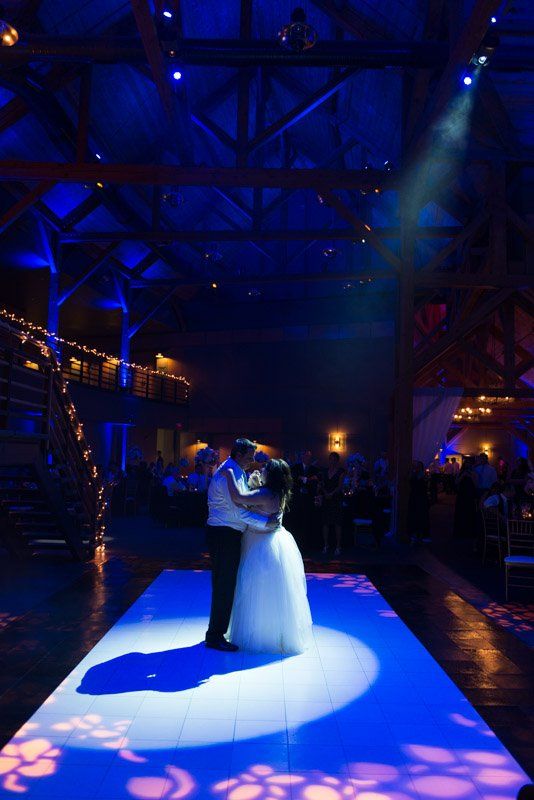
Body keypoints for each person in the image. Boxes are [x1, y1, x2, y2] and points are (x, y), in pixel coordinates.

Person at [222, 459, 313, 654]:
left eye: (264, 469)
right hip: (274, 542)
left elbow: (238, 497)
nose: (260, 469)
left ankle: (259, 635)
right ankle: (276, 633)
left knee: (255, 589)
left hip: (260, 545)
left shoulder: (264, 494)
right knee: (274, 591)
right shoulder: (278, 493)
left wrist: (228, 474)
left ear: (271, 475)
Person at [205, 438, 275, 652]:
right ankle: (215, 635)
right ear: (237, 454)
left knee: (225, 585)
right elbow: (237, 511)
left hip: (226, 533)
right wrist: (266, 523)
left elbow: (241, 504)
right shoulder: (229, 472)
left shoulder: (235, 471)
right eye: (249, 456)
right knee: (224, 585)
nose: (252, 460)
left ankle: (215, 632)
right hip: (223, 534)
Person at [320, 452, 346, 556]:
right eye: (330, 459)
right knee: (325, 523)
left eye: (334, 459)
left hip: (336, 499)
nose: (332, 461)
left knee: (337, 523)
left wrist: (332, 493)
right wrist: (325, 493)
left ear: (337, 460)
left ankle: (338, 546)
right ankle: (326, 545)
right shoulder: (325, 471)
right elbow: (322, 484)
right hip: (326, 499)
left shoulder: (341, 472)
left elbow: (340, 486)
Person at [453, 456, 478, 541]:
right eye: (466, 463)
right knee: (461, 512)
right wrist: (463, 475)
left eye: (469, 463)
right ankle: (460, 531)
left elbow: (476, 484)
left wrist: (470, 476)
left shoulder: (474, 472)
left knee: (470, 512)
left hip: (470, 495)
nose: (467, 465)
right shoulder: (461, 472)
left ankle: (469, 531)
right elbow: (456, 482)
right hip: (462, 495)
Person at [407, 460, 430, 544]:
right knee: (415, 515)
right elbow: (411, 481)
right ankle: (415, 534)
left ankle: (421, 534)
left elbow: (425, 482)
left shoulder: (423, 474)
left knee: (421, 515)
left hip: (421, 497)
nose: (416, 467)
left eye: (418, 466)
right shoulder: (413, 474)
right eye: (416, 466)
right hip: (415, 497)